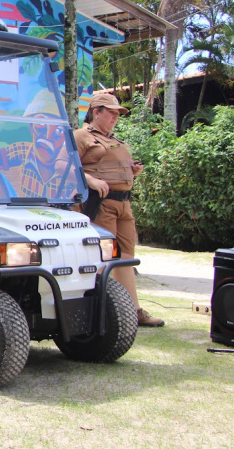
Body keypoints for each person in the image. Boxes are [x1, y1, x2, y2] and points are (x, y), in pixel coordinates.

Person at [75, 93, 164, 327]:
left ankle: (132, 311)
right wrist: (90, 180)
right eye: (111, 112)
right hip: (100, 204)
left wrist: (132, 171)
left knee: (126, 258)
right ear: (96, 112)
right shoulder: (81, 136)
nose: (116, 117)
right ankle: (96, 312)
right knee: (102, 258)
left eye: (118, 113)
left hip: (124, 204)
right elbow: (65, 168)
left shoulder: (114, 140)